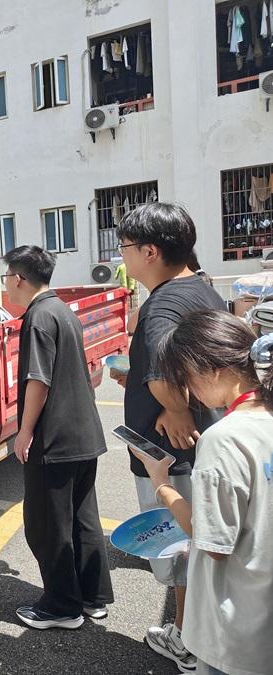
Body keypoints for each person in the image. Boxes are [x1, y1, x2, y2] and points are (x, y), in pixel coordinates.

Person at [116, 203, 226, 670]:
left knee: (180, 549)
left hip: (172, 452)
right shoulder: (204, 289)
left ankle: (188, 642)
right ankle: (193, 633)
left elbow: (163, 374)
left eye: (124, 247)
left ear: (150, 251)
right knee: (201, 544)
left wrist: (176, 408)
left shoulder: (161, 304)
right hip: (207, 441)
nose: (122, 257)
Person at [136, 311, 273, 675]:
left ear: (211, 371)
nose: (187, 392)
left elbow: (212, 542)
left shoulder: (223, 440)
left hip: (235, 630)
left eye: (185, 378)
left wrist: (161, 484)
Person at [1, 246, 114, 630]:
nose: (6, 286)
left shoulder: (37, 317)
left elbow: (39, 379)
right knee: (83, 519)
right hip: (83, 434)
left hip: (55, 440)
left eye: (6, 278)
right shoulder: (63, 310)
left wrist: (25, 431)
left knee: (47, 525)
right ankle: (92, 597)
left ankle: (62, 607)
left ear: (18, 278)